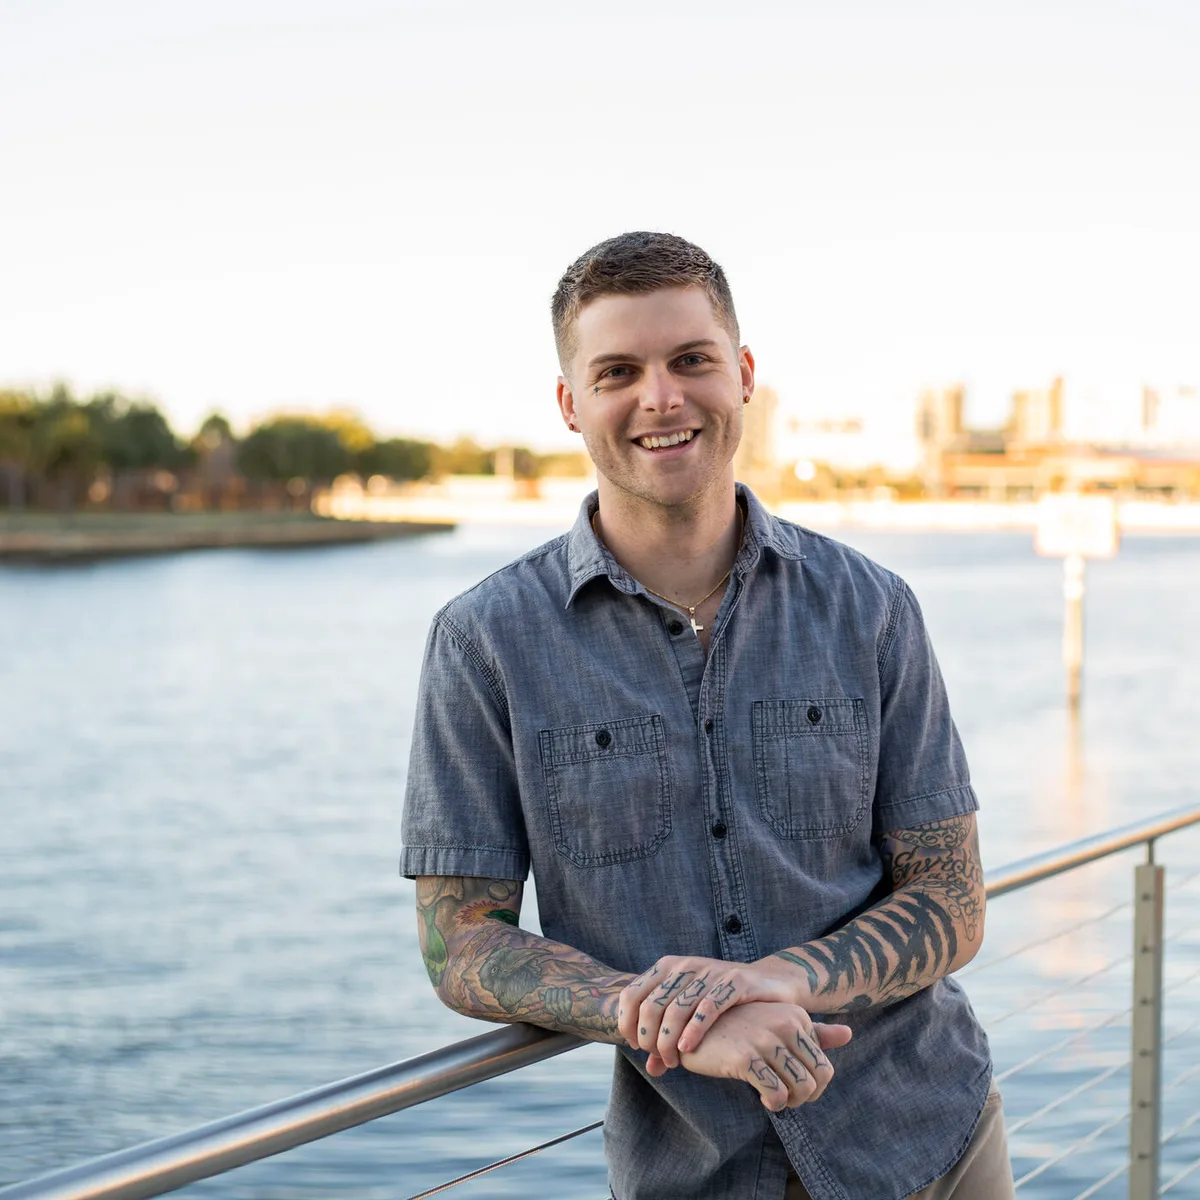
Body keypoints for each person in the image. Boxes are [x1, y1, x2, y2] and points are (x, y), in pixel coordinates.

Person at [401, 231, 1014, 1200]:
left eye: (692, 360)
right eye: (618, 372)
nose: (661, 397)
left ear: (744, 375)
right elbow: (459, 939)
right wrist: (672, 1015)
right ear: (569, 404)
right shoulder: (484, 643)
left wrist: (778, 980)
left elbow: (952, 895)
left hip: (930, 1141)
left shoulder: (873, 608)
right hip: (695, 1174)